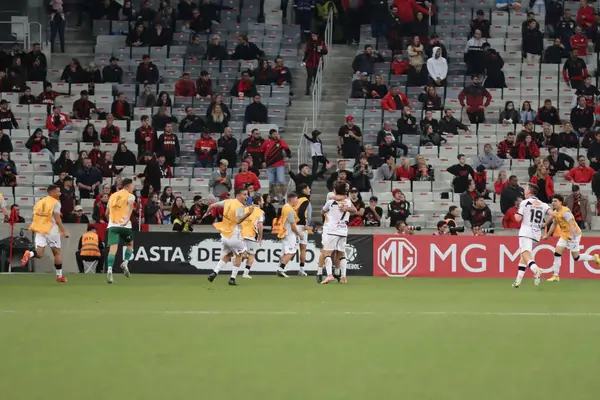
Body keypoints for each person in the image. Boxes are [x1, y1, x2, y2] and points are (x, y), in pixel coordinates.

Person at [543, 194, 600, 281]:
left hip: (574, 235)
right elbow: (554, 224)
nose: (553, 203)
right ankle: (556, 275)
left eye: (555, 201)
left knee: (576, 257)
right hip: (564, 235)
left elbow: (572, 224)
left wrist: (571, 235)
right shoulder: (555, 212)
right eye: (552, 201)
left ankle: (594, 257)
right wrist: (547, 235)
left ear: (561, 202)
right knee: (557, 254)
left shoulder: (566, 212)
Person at [206, 187, 255, 285]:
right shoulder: (240, 206)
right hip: (234, 235)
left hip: (224, 235)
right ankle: (232, 278)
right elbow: (238, 221)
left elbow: (212, 205)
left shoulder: (228, 201)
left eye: (247, 195)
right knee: (241, 255)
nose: (247, 197)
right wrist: (249, 213)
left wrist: (207, 212)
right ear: (238, 195)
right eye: (244, 194)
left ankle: (214, 272)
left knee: (228, 254)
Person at [21, 185, 69, 282]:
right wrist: (63, 231)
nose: (59, 193)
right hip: (51, 230)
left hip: (40, 229)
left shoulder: (40, 202)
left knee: (39, 253)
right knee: (57, 253)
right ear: (51, 192)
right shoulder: (56, 203)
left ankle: (29, 254)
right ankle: (59, 277)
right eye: (58, 191)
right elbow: (57, 219)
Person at [512, 183, 553, 288]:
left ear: (529, 191)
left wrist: (515, 212)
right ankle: (518, 281)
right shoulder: (543, 204)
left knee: (525, 254)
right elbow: (553, 214)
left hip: (526, 232)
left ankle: (536, 270)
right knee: (523, 257)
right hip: (536, 234)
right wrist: (545, 224)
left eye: (526, 189)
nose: (524, 191)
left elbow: (518, 219)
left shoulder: (525, 203)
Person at [320, 182, 357, 284]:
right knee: (341, 253)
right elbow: (354, 210)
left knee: (327, 253)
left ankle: (329, 275)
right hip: (343, 229)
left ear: (335, 190)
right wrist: (346, 208)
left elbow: (322, 212)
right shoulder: (348, 201)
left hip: (332, 230)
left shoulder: (331, 201)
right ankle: (343, 277)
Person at [104, 178, 135, 284]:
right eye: (133, 186)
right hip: (125, 226)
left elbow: (106, 213)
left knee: (113, 249)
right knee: (130, 244)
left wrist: (112, 221)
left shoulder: (112, 196)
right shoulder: (130, 195)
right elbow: (131, 205)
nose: (133, 188)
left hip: (112, 226)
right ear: (128, 186)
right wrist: (126, 219)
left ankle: (109, 269)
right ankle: (125, 262)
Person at [239, 194, 265, 279]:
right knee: (252, 254)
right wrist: (260, 238)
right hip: (251, 235)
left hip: (241, 234)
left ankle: (237, 258)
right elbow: (260, 225)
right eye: (262, 200)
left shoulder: (246, 209)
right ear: (259, 201)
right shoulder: (259, 212)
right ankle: (245, 273)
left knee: (243, 253)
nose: (263, 202)